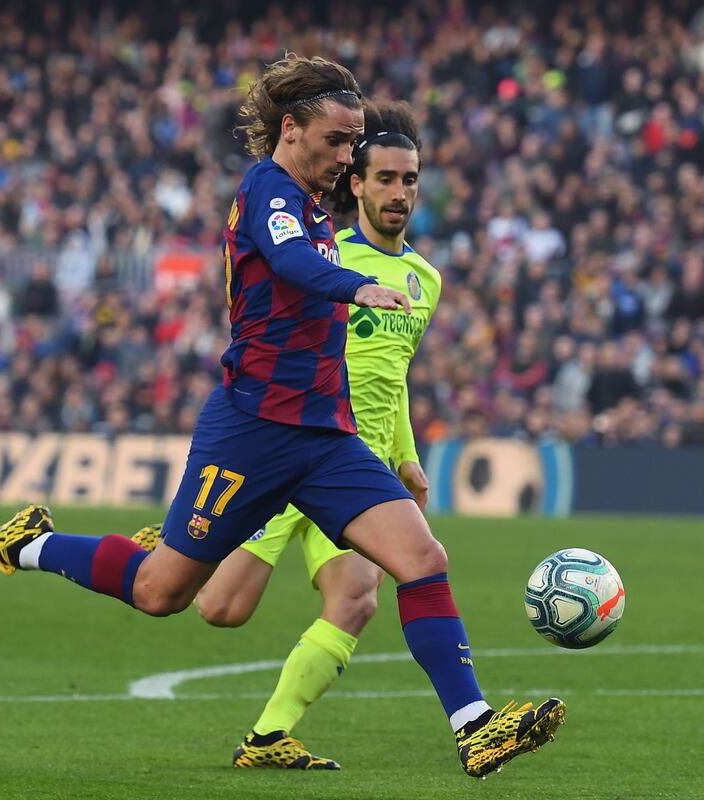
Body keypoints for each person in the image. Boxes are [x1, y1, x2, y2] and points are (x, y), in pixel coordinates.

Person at [0, 55, 564, 778]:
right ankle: (32, 543)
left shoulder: (313, 204)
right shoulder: (269, 193)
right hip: (252, 431)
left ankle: (475, 729)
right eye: (339, 141)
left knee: (423, 559)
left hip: (325, 436)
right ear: (292, 129)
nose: (348, 157)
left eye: (354, 144)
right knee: (165, 593)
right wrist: (358, 287)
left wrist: (397, 444)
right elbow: (289, 265)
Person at [181, 101, 441, 769]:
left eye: (410, 180)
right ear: (355, 182)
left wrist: (406, 457)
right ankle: (175, 538)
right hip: (284, 441)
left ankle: (268, 735)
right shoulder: (324, 250)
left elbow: (396, 374)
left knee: (356, 599)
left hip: (348, 462)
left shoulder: (424, 279)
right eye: (385, 178)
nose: (399, 193)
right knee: (219, 607)